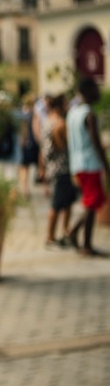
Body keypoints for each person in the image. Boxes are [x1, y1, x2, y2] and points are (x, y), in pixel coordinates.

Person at [65, 77, 110, 257]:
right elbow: (95, 142)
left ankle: (77, 235)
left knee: (91, 201)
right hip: (90, 163)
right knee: (93, 201)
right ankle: (84, 241)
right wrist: (106, 165)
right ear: (88, 90)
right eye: (96, 89)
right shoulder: (88, 113)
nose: (98, 93)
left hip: (77, 163)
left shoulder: (72, 112)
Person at [41, 94, 77, 249]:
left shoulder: (47, 121)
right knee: (57, 204)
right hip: (62, 168)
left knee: (65, 202)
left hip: (52, 167)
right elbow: (62, 143)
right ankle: (51, 236)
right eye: (66, 104)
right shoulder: (60, 123)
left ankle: (64, 233)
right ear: (60, 106)